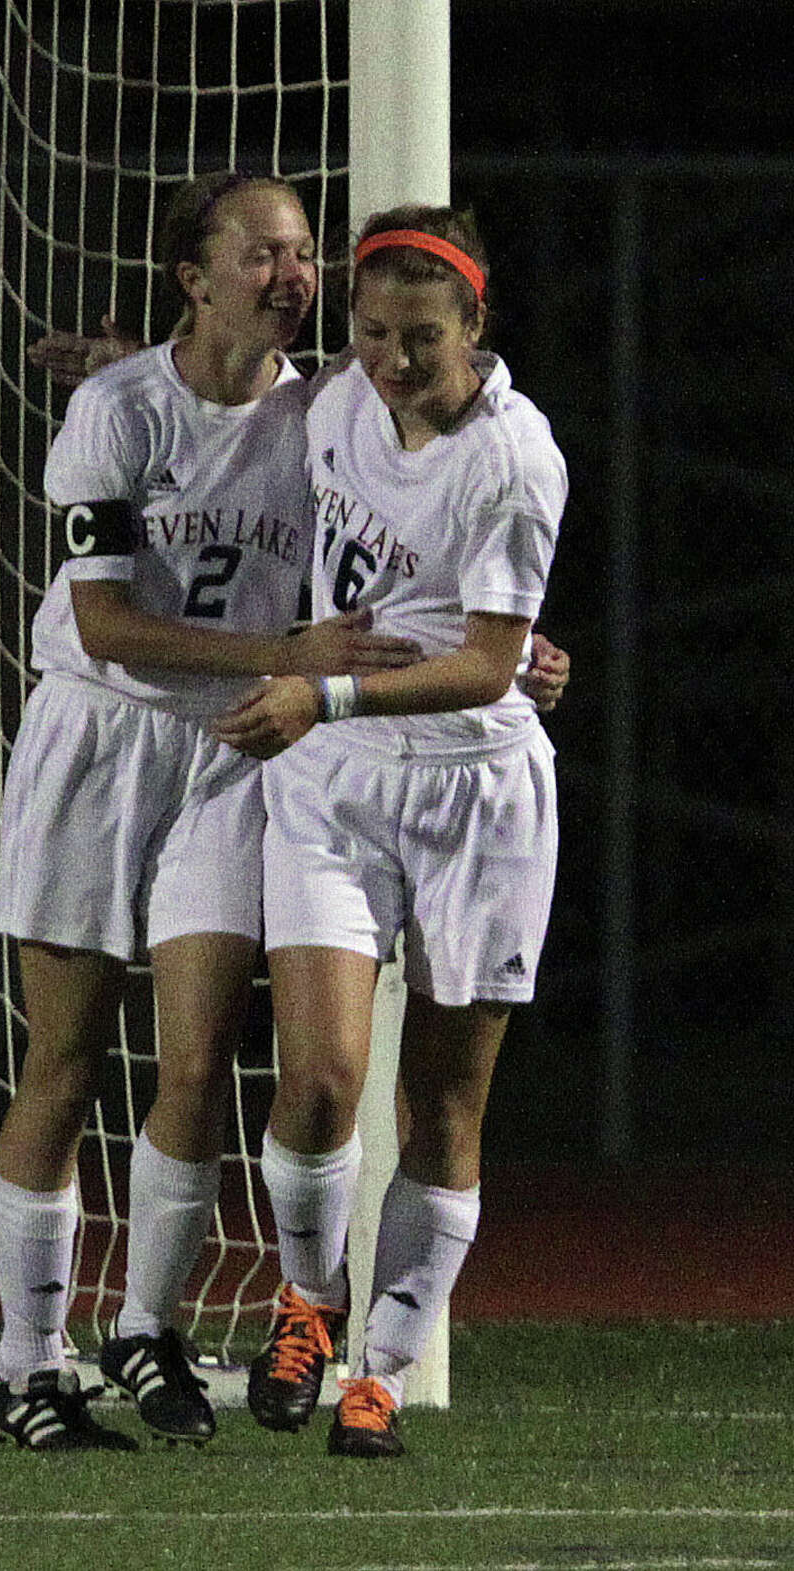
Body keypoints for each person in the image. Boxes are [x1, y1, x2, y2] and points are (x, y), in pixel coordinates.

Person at [0, 171, 419, 1452]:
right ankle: (22, 1359)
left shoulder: (327, 409)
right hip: (98, 744)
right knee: (63, 1061)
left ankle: (144, 1327)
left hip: (229, 758)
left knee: (200, 1057)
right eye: (265, 251)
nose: (295, 273)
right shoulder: (113, 412)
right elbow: (106, 624)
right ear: (195, 273)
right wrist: (286, 648)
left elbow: (433, 492)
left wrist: (523, 641)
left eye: (303, 254)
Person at [215, 205, 567, 1458]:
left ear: (477, 325)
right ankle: (308, 1295)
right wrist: (128, 370)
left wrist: (328, 686)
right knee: (314, 1081)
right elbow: (237, 400)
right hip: (339, 776)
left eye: (423, 336)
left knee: (443, 1108)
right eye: (373, 332)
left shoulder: (517, 461)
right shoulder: (335, 399)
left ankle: (384, 1366)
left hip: (478, 795)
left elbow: (484, 665)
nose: (394, 360)